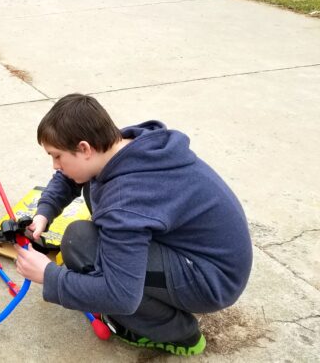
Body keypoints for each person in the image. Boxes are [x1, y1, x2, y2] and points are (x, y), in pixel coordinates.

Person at [14, 93, 252, 356]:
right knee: (92, 193)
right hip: (206, 253)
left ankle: (179, 333)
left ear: (84, 148)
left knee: (81, 245)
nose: (55, 166)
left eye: (57, 156)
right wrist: (44, 212)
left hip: (212, 280)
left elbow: (120, 295)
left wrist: (50, 276)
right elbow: (73, 176)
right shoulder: (127, 147)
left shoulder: (124, 200)